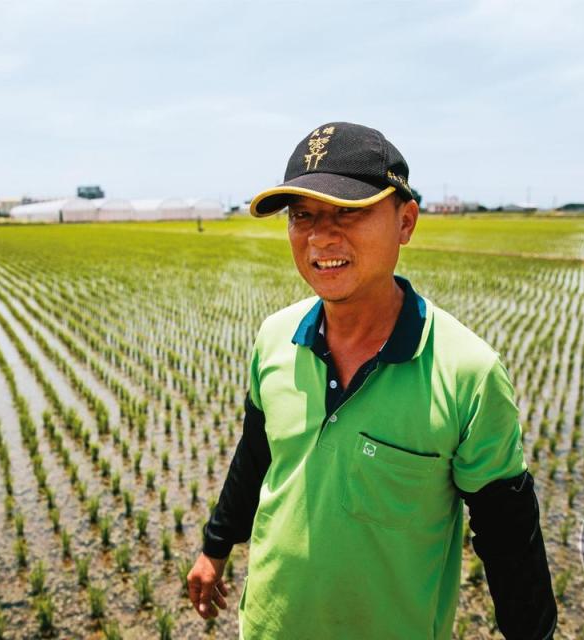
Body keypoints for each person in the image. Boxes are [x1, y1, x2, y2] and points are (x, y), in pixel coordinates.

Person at [187, 122, 557, 639]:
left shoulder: (467, 373)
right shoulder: (276, 338)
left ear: (405, 222)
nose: (320, 236)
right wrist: (214, 547)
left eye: (349, 211)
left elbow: (509, 542)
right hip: (269, 624)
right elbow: (256, 456)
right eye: (303, 216)